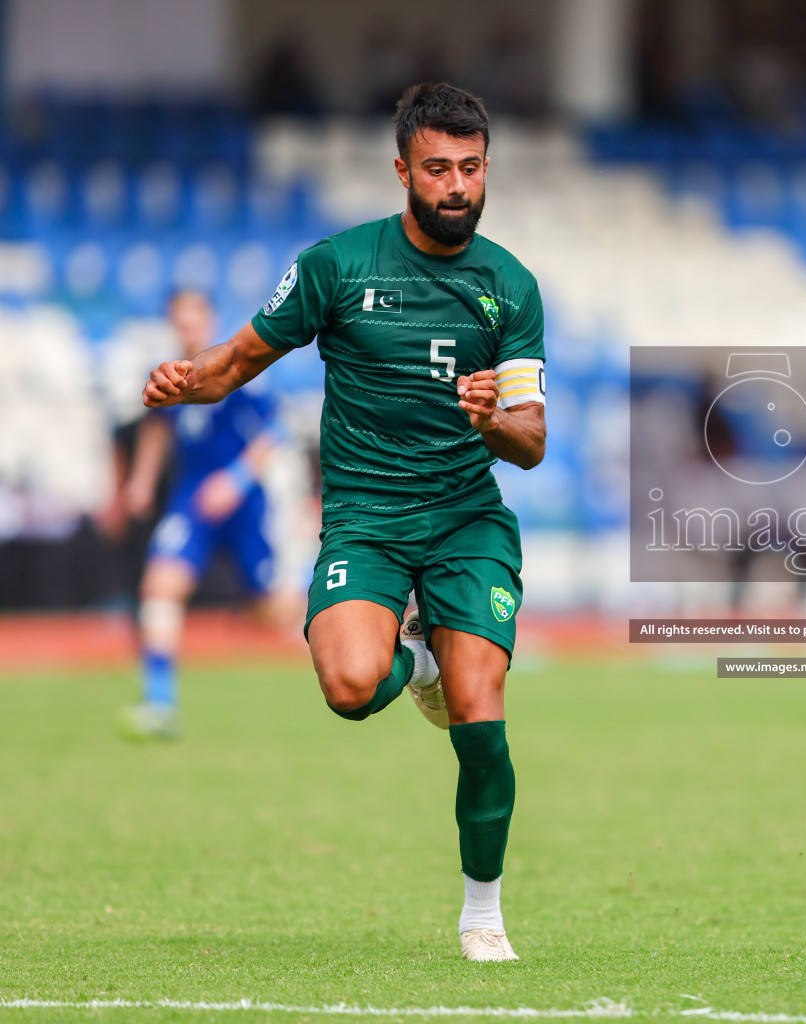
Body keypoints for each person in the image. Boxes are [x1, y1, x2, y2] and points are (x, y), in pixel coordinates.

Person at [140, 82, 547, 963]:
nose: (456, 187)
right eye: (437, 168)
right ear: (402, 169)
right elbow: (239, 358)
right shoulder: (338, 266)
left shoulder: (510, 286)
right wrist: (189, 380)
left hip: (465, 520)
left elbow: (533, 442)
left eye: (471, 169)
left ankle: (483, 913)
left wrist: (492, 420)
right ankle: (419, 657)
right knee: (351, 687)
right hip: (364, 519)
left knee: (480, 716)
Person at [119, 290, 292, 741]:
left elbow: (273, 431)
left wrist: (234, 480)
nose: (187, 325)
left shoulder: (239, 366)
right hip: (191, 499)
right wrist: (141, 479)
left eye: (194, 316)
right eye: (179, 318)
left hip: (242, 501)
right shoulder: (165, 373)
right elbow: (157, 428)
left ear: (209, 319)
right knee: (160, 586)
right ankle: (159, 704)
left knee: (270, 610)